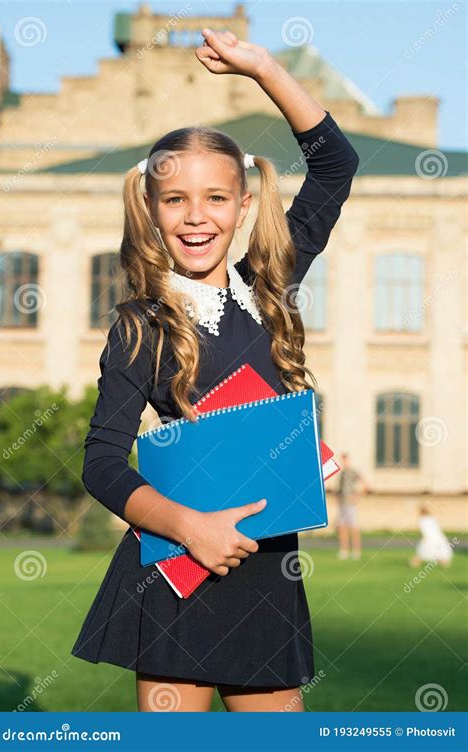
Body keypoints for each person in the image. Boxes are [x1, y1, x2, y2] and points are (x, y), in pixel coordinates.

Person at [71, 28, 359, 712]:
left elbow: (335, 165)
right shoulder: (141, 321)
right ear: (151, 210)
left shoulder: (272, 283)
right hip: (174, 570)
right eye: (175, 200)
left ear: (244, 206)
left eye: (216, 199)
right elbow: (102, 461)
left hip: (265, 569)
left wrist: (263, 66)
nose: (196, 218)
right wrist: (187, 527)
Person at [336, 453, 366, 560]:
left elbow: (364, 482)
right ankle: (344, 550)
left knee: (354, 528)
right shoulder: (342, 473)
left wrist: (357, 496)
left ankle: (356, 551)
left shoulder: (352, 472)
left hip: (350, 504)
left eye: (344, 460)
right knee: (342, 528)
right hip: (342, 503)